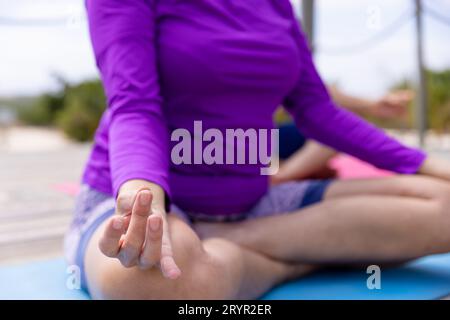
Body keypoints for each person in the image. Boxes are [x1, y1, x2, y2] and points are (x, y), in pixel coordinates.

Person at [65, 0, 450, 300]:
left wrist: (432, 166)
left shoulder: (275, 4)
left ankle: (232, 245)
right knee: (141, 284)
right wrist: (140, 194)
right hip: (152, 197)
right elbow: (134, 104)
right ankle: (297, 261)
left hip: (253, 206)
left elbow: (318, 111)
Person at [274, 88, 414, 183]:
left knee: (339, 126)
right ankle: (279, 176)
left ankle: (281, 174)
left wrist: (373, 106)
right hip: (264, 147)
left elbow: (309, 88)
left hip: (269, 146)